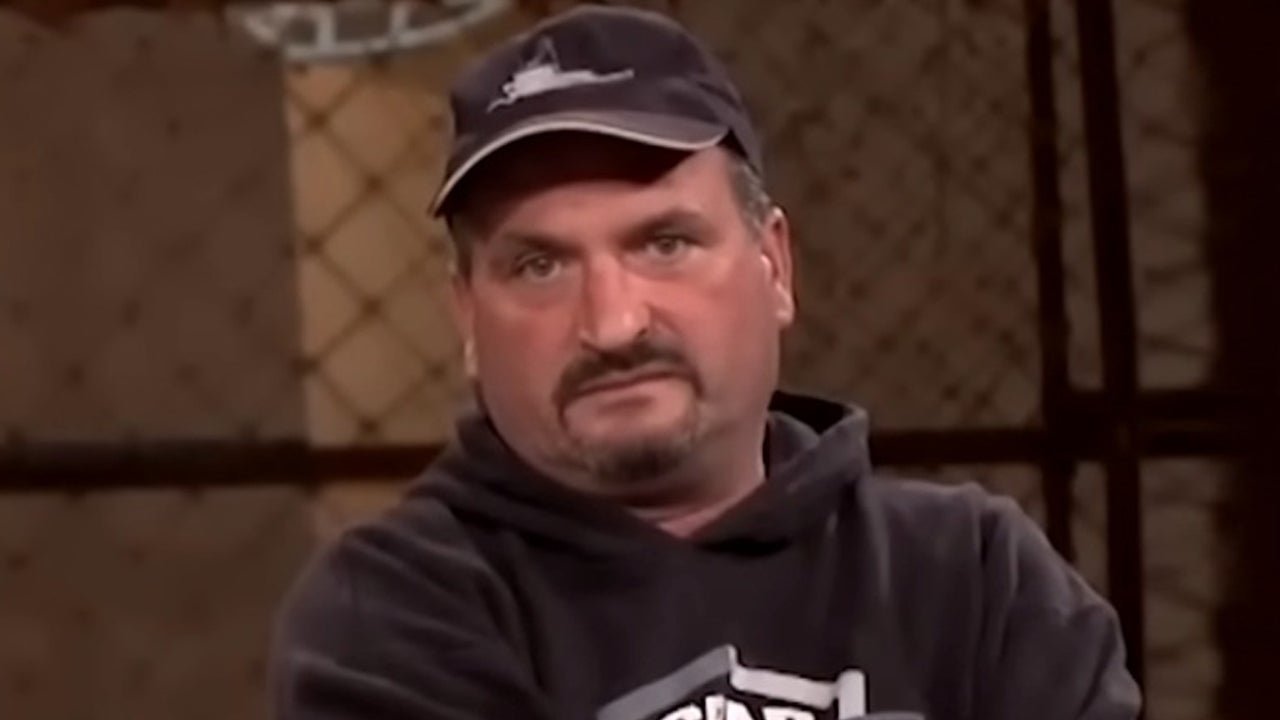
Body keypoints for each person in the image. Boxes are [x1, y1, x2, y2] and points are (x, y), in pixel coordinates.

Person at [269, 6, 1141, 720]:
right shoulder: (395, 611)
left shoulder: (974, 581)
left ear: (775, 267)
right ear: (467, 316)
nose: (613, 324)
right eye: (539, 266)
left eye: (665, 244)